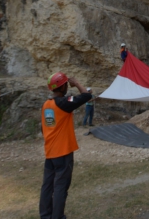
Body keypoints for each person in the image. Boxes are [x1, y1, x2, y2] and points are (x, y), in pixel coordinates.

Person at [40, 72, 92, 219]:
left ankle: (45, 215)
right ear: (63, 87)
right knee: (61, 187)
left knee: (47, 186)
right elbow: (87, 96)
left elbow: (44, 128)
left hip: (50, 151)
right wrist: (77, 84)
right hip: (63, 151)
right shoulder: (63, 103)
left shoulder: (46, 104)